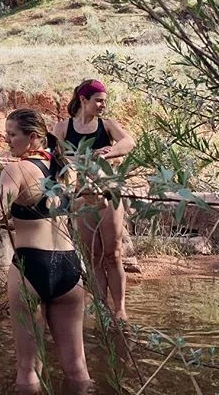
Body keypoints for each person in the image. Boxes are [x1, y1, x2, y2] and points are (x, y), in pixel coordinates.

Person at [0, 108, 91, 395]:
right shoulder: (68, 170)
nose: (8, 140)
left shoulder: (16, 169)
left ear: (32, 137)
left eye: (12, 135)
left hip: (32, 265)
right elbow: (82, 205)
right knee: (78, 367)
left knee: (28, 369)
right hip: (70, 267)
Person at [52, 79, 135, 322]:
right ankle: (102, 310)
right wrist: (77, 157)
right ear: (83, 100)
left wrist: (108, 153)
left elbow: (129, 142)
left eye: (104, 101)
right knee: (93, 256)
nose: (102, 105)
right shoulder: (64, 127)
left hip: (108, 195)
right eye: (98, 100)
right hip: (80, 198)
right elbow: (51, 153)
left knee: (114, 254)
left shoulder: (107, 125)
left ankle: (120, 310)